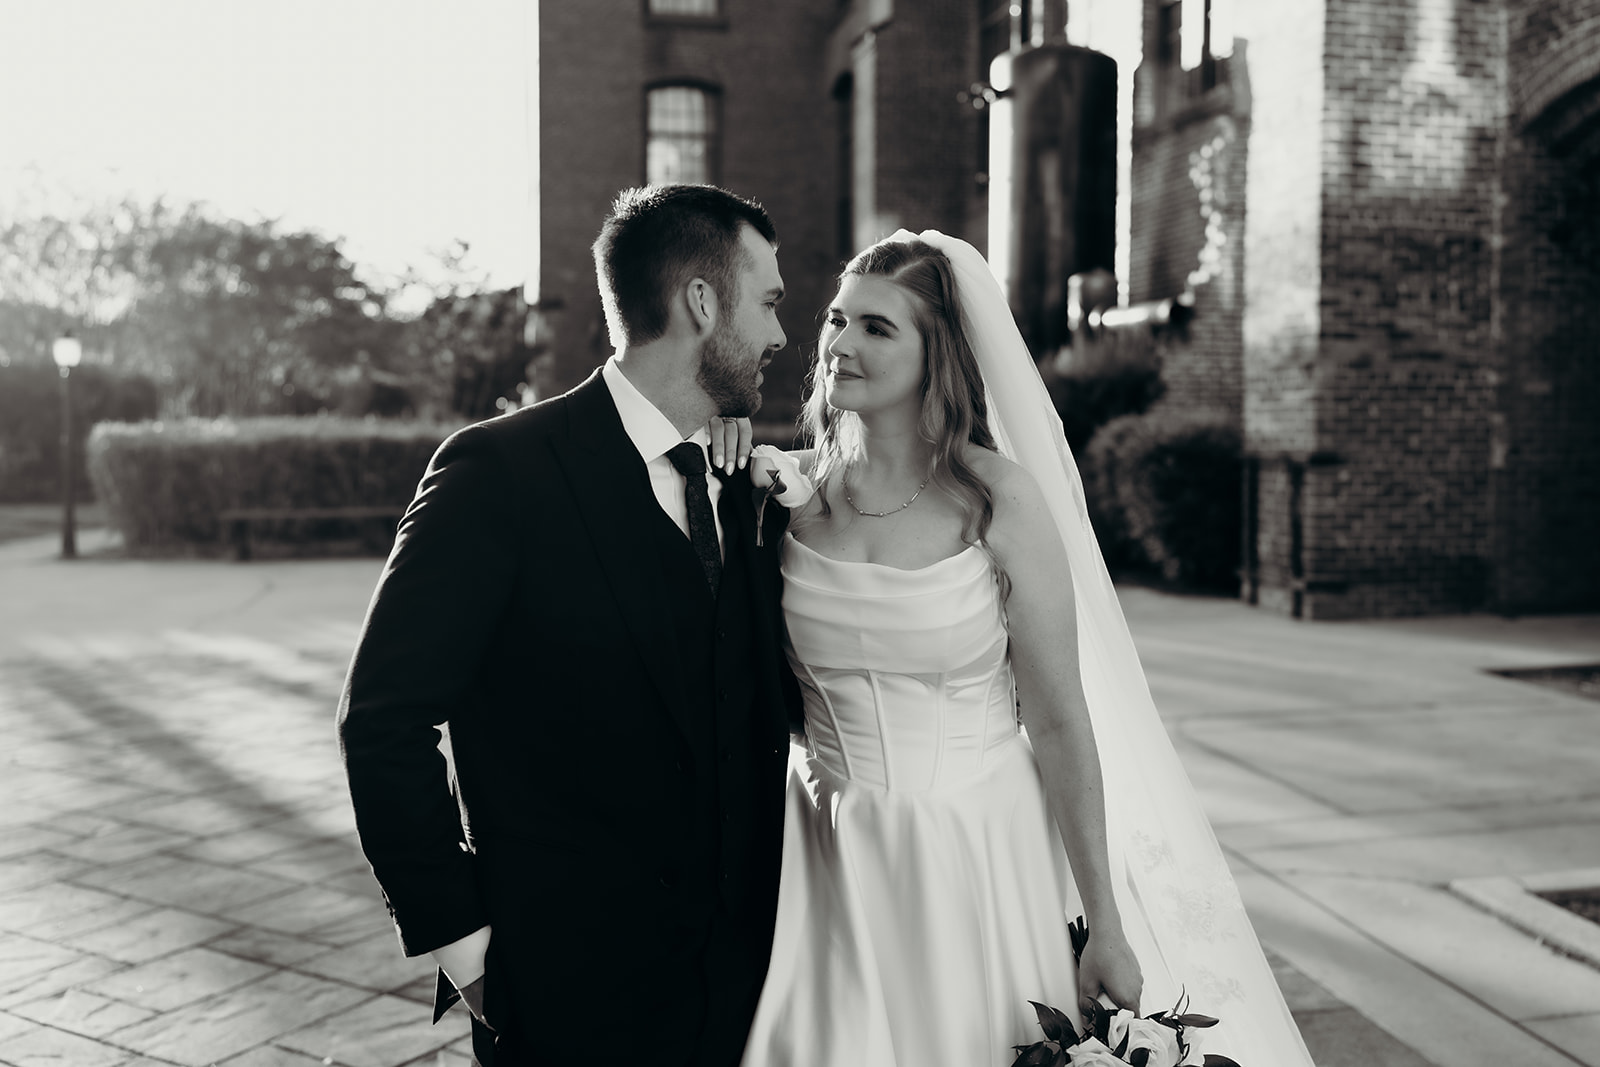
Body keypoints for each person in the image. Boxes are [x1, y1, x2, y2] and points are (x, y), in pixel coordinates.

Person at [731, 232, 1316, 1066]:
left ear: (939, 357)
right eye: (837, 319)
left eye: (877, 327)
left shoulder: (998, 497)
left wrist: (1105, 921)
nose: (840, 344)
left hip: (980, 845)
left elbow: (1060, 717)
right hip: (826, 847)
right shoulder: (788, 494)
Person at [338, 183, 801, 1067]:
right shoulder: (498, 473)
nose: (781, 333)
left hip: (739, 989)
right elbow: (383, 719)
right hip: (562, 994)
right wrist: (465, 946)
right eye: (769, 301)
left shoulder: (740, 479)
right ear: (702, 303)